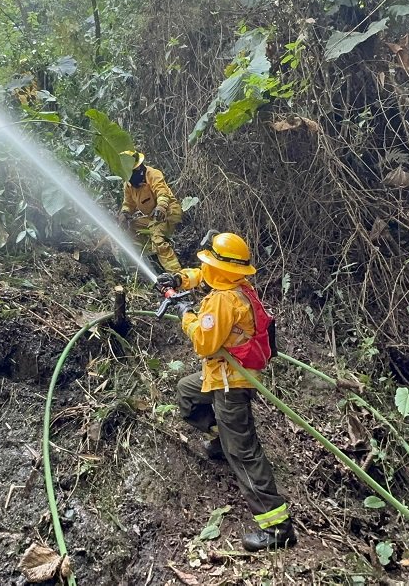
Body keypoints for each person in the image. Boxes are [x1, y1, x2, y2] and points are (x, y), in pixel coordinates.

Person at [156, 232, 295, 552]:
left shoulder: (224, 300)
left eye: (212, 262)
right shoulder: (235, 286)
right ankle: (220, 438)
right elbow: (202, 275)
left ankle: (277, 527)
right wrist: (178, 279)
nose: (206, 267)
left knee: (243, 453)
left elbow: (204, 343)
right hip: (218, 376)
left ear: (224, 267)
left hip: (231, 383)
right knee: (188, 393)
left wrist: (185, 315)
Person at [118, 151, 182, 272]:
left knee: (157, 236)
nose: (139, 171)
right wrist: (124, 213)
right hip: (153, 216)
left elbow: (162, 192)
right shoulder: (128, 185)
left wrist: (161, 206)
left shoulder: (153, 174)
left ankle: (177, 274)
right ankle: (152, 257)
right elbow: (128, 204)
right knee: (132, 227)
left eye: (139, 168)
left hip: (169, 211)